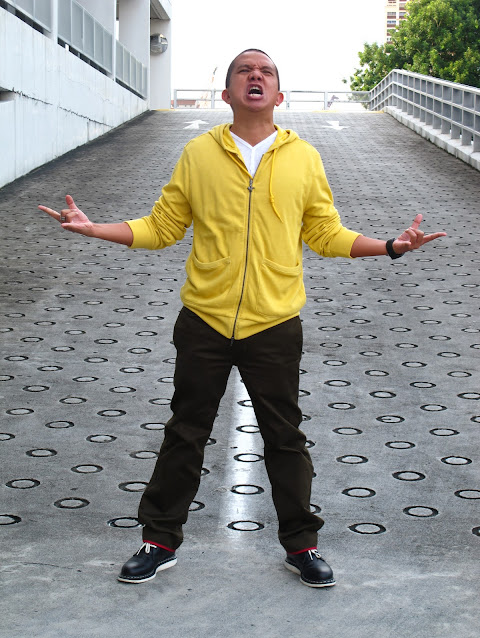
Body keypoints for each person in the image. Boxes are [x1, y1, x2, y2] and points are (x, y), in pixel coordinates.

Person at [38, 49, 447, 588]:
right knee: (185, 433)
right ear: (227, 92)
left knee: (285, 437)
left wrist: (391, 246)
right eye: (244, 71)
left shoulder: (304, 158)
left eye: (266, 71)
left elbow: (325, 233)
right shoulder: (198, 153)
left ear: (279, 94)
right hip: (204, 320)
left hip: (274, 324)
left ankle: (302, 546)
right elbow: (162, 227)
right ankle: (159, 541)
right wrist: (96, 229)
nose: (256, 75)